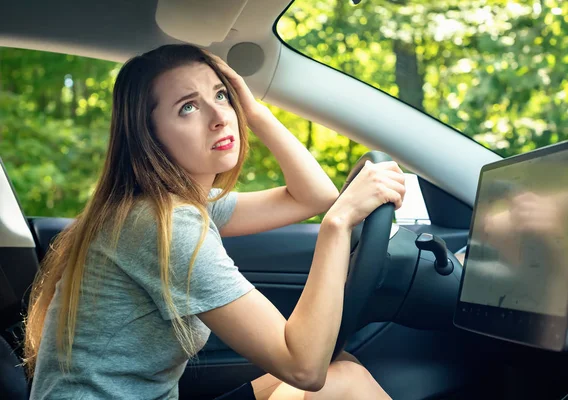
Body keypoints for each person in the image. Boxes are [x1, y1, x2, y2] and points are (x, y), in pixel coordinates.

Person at [23, 44, 405, 399]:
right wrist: (337, 225)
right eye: (188, 107)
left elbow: (313, 197)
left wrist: (254, 112)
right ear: (148, 135)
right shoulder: (163, 225)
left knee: (344, 369)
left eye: (221, 96)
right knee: (343, 383)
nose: (221, 117)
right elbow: (304, 367)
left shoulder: (171, 205)